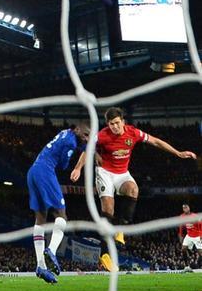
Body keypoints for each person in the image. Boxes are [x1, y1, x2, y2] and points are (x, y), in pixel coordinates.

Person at [70, 107, 197, 271]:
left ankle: (120, 231)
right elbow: (87, 151)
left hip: (122, 173)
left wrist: (178, 153)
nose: (114, 127)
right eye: (111, 124)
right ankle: (105, 254)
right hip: (105, 172)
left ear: (123, 121)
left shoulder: (133, 133)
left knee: (133, 189)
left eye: (117, 123)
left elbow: (156, 141)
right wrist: (78, 168)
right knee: (108, 208)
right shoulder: (102, 135)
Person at [29, 124, 89, 284]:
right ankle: (52, 250)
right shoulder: (71, 143)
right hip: (45, 171)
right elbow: (63, 165)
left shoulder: (65, 133)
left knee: (40, 219)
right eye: (85, 136)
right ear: (79, 132)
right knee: (61, 215)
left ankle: (40, 266)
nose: (86, 139)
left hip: (33, 171)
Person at [179, 204, 202, 269]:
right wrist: (181, 235)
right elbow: (181, 226)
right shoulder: (182, 216)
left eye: (186, 207)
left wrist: (201, 235)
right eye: (183, 208)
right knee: (183, 249)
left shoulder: (194, 216)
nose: (185, 209)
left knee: (201, 253)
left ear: (189, 208)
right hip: (189, 236)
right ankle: (186, 266)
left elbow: (200, 225)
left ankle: (198, 265)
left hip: (197, 236)